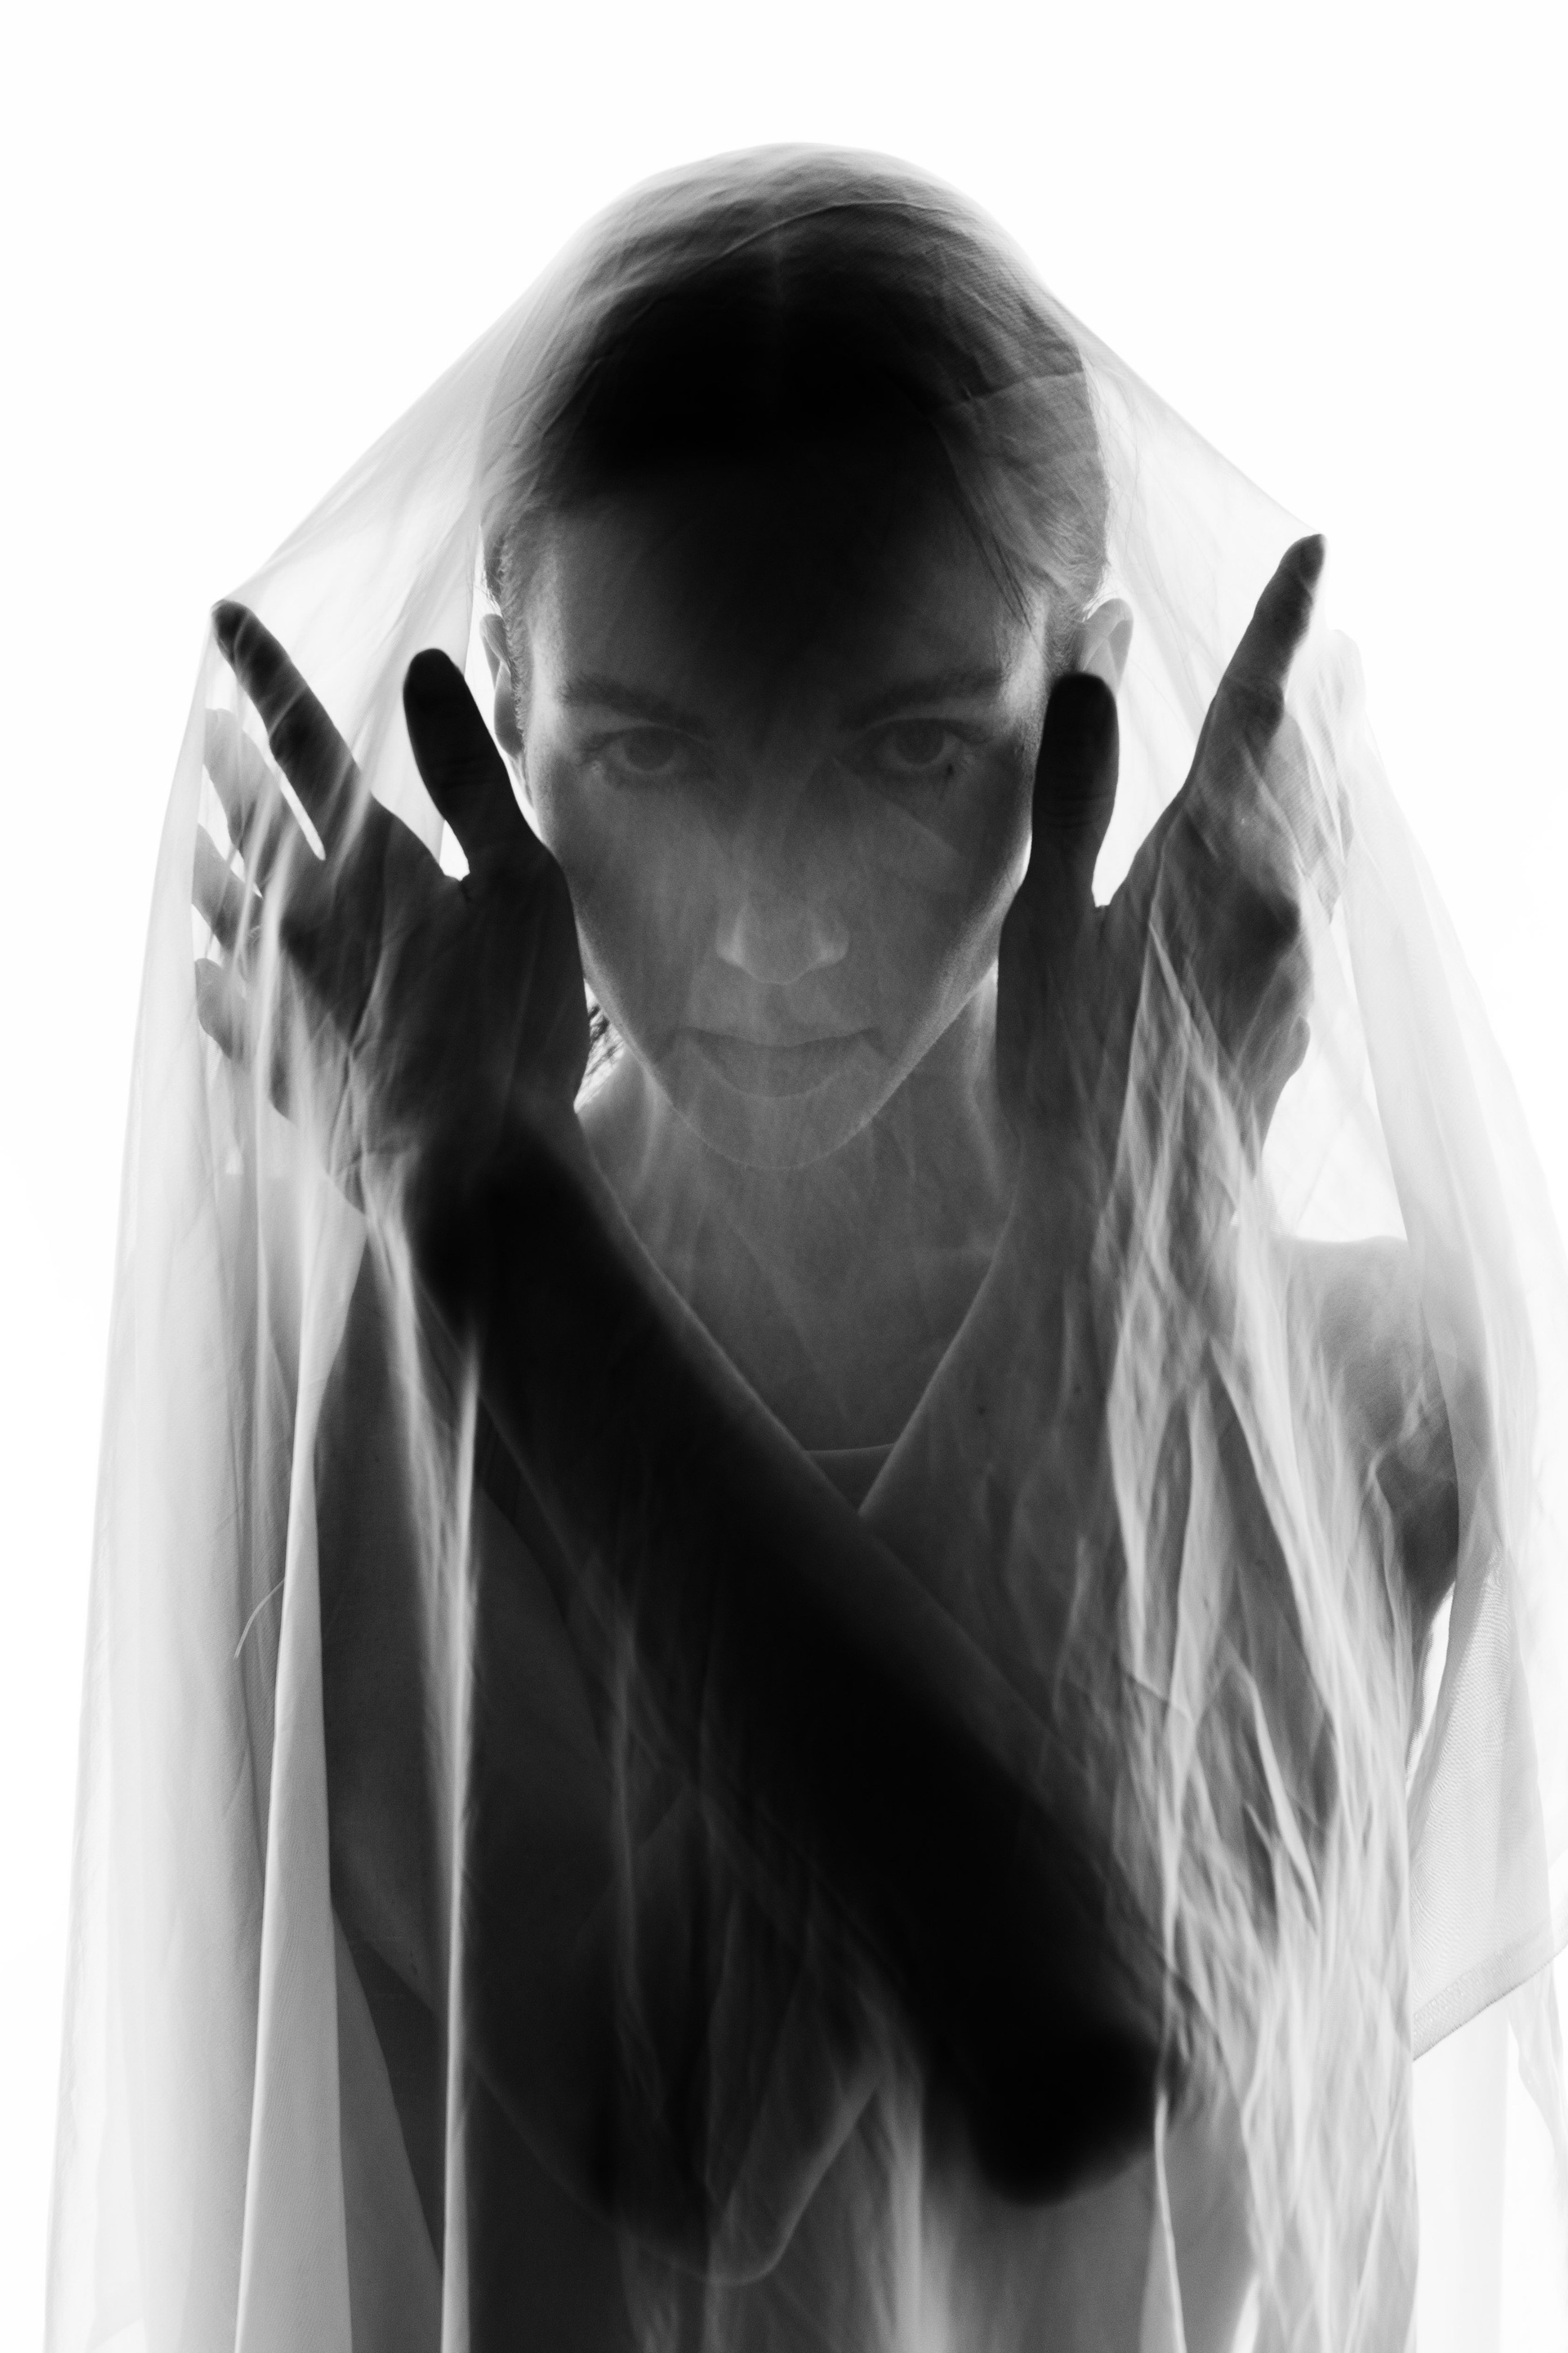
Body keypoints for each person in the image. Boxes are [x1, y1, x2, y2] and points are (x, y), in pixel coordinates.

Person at [47, 147, 1568, 2353]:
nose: (770, 926)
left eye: (908, 750)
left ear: (1084, 697)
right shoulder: (356, 1395)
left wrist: (489, 1200)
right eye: (653, 757)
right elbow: (726, 2105)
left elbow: (1064, 2059)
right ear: (506, 707)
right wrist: (1105, 1238)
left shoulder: (1376, 1384)